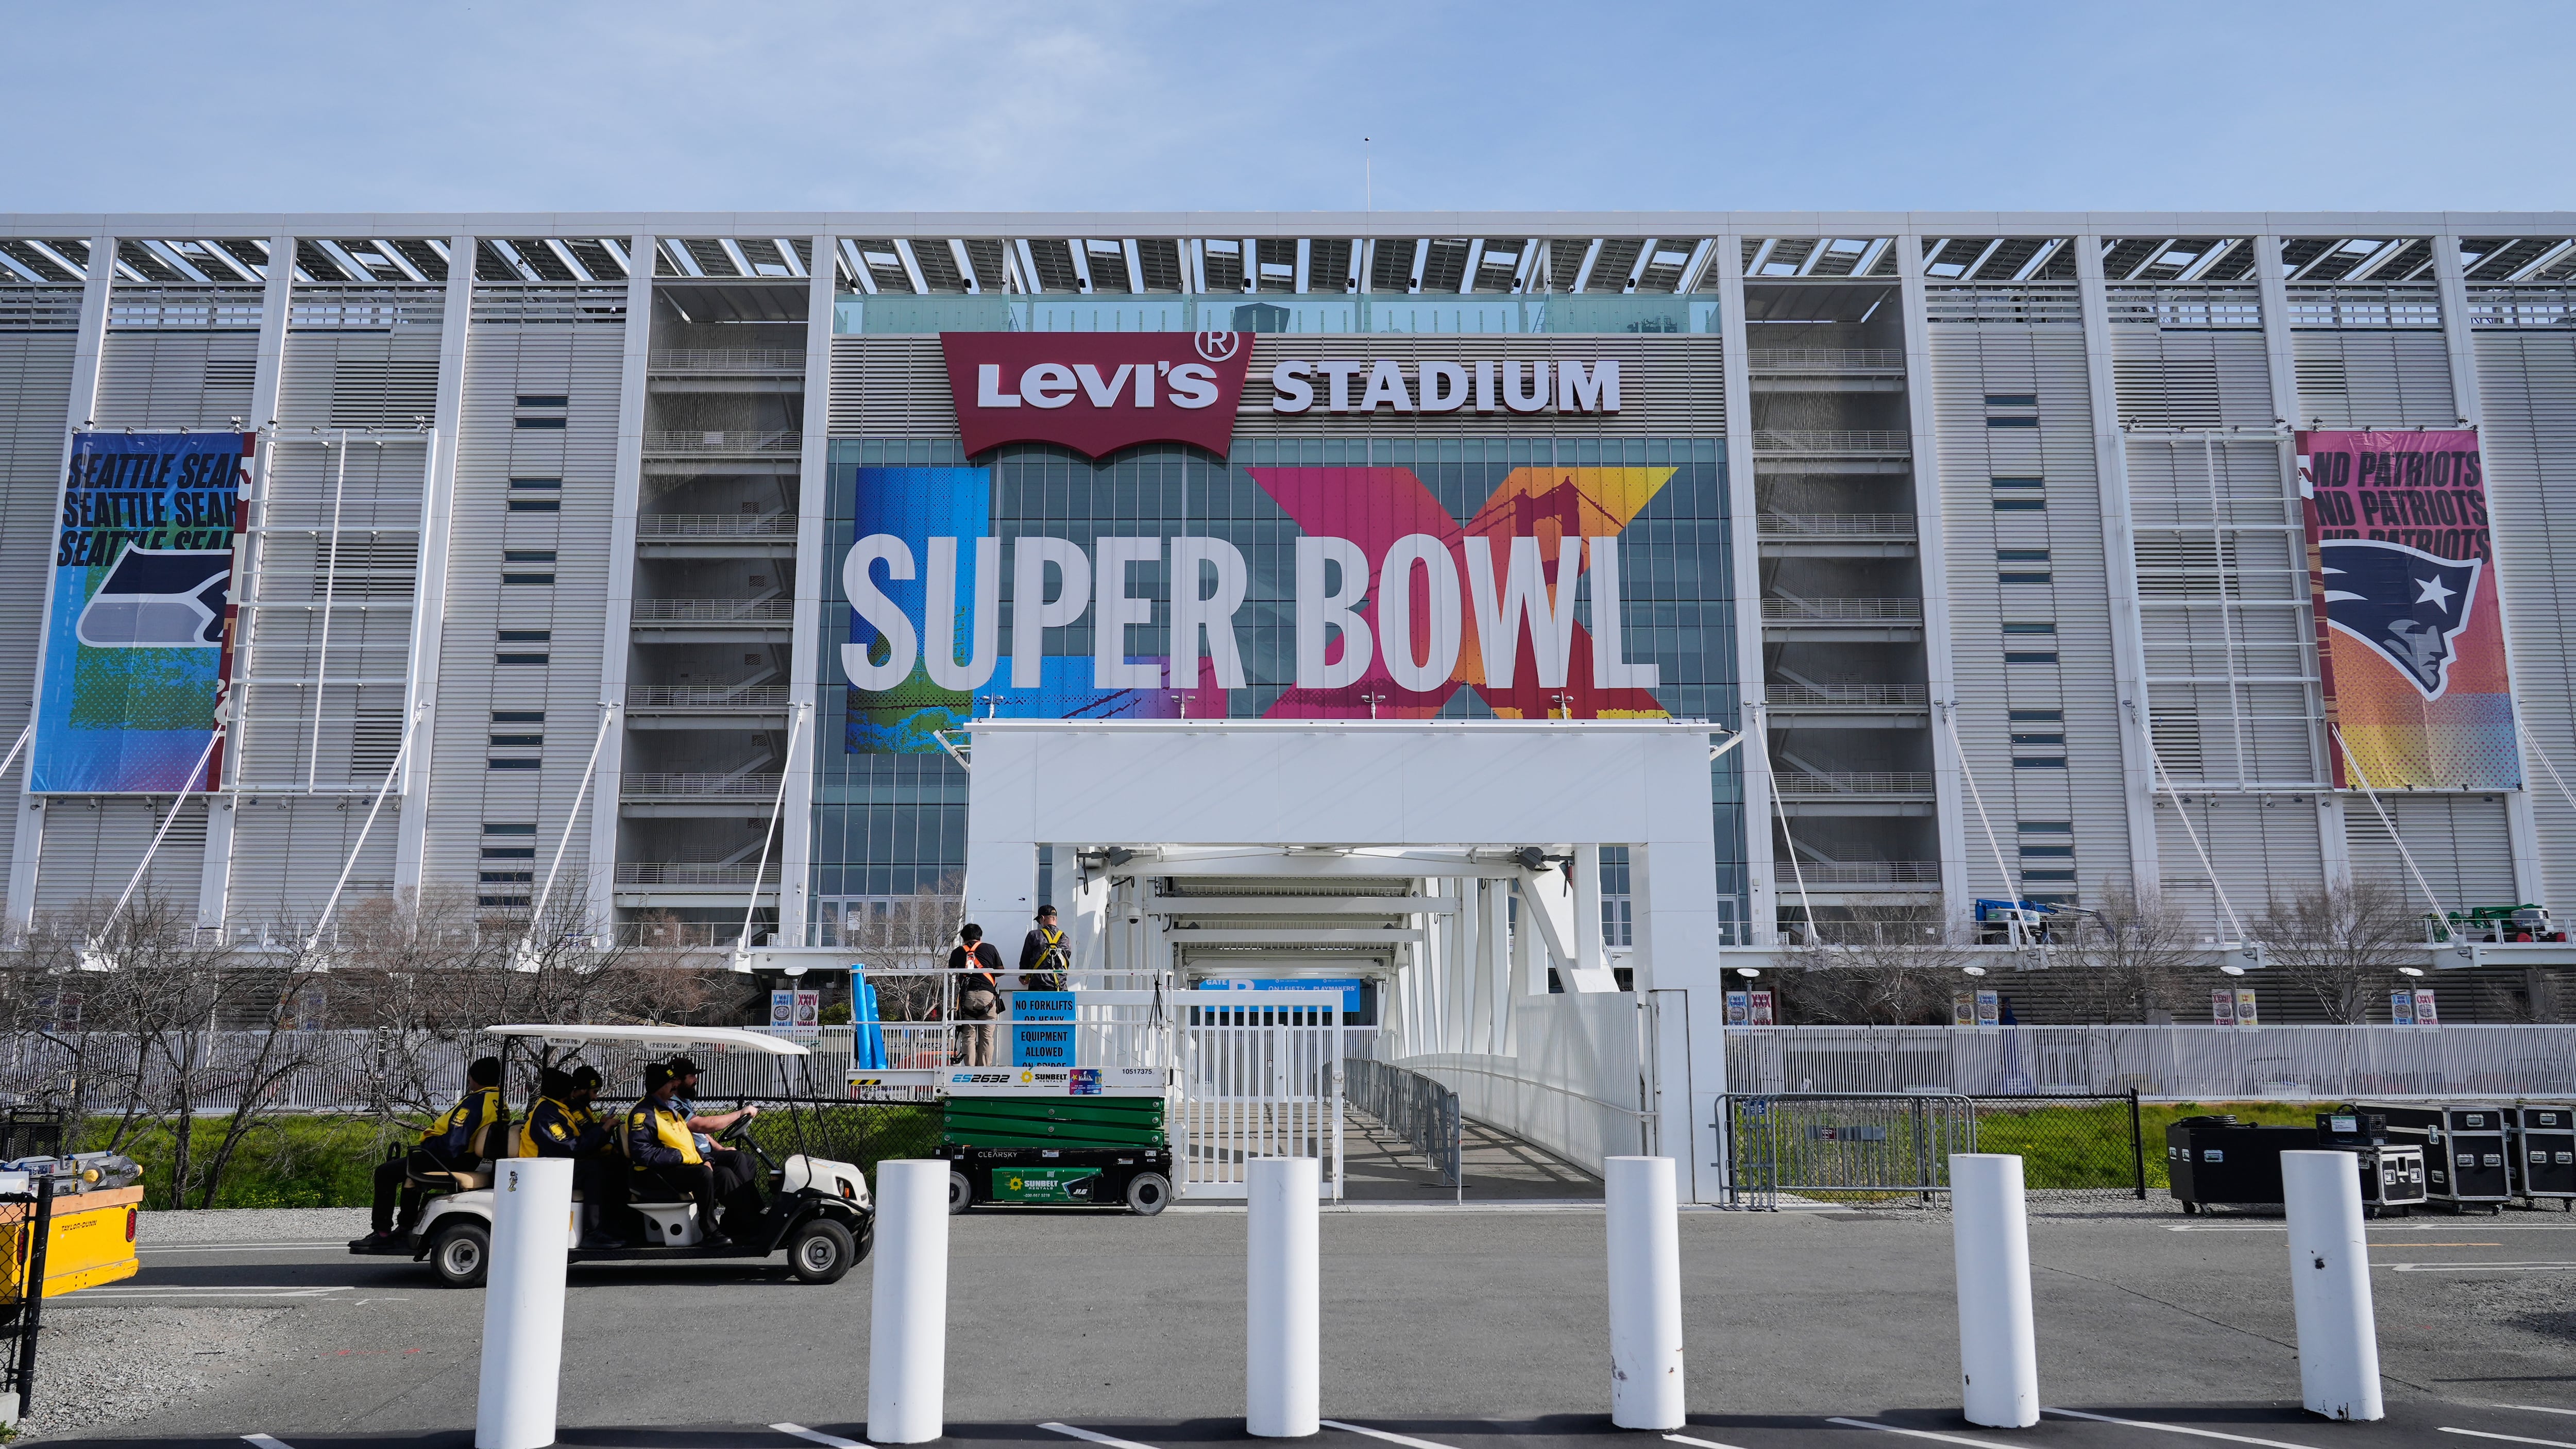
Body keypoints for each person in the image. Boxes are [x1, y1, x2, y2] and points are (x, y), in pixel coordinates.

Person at [355, 1055, 500, 1249]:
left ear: (473, 1078)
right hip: (470, 1159)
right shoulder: (498, 1101)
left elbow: (454, 1144)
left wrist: (428, 1148)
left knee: (385, 1172)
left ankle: (382, 1233)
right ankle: (405, 1227)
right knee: (410, 1174)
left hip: (452, 1158)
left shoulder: (475, 1103)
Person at [624, 1063, 730, 1244]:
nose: (676, 1085)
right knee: (702, 1175)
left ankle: (742, 1222)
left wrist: (706, 1159)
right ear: (659, 1086)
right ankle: (710, 1231)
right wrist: (680, 1156)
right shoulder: (644, 1113)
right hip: (656, 1175)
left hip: (677, 1170)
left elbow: (687, 1142)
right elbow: (641, 1153)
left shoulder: (669, 1110)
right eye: (670, 1083)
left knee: (724, 1174)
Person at [520, 1064, 624, 1248]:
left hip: (555, 1165)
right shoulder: (547, 1114)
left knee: (612, 1163)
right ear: (565, 1092)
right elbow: (570, 1147)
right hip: (542, 1170)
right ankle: (593, 1232)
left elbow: (578, 1139)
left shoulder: (557, 1109)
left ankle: (613, 1224)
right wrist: (603, 1129)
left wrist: (602, 1130)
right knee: (594, 1170)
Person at [663, 1055, 764, 1235]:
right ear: (677, 1080)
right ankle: (751, 1214)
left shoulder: (684, 1101)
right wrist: (740, 1113)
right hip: (693, 1157)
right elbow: (702, 1125)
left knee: (748, 1160)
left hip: (705, 1152)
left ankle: (738, 1216)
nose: (696, 1080)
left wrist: (720, 1148)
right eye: (691, 1076)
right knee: (734, 1163)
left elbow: (702, 1133)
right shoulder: (673, 1105)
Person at [948, 923, 1006, 1066]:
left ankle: (970, 1070)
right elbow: (1000, 971)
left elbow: (951, 970)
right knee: (987, 1038)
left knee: (968, 1036)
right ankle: (983, 1071)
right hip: (988, 997)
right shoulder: (990, 948)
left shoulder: (958, 952)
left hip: (967, 997)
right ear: (980, 936)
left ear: (963, 938)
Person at [1019, 904, 1071, 992]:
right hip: (1060, 987)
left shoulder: (1034, 935)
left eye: (1039, 921)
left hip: (1039, 986)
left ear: (1043, 918)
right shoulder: (1065, 939)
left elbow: (1025, 960)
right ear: (1056, 919)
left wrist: (1024, 977)